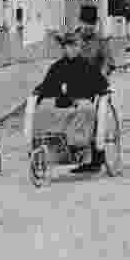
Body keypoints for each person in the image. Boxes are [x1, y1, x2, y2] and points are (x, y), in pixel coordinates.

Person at [35, 32, 111, 174]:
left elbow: (100, 83)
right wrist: (39, 93)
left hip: (82, 101)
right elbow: (47, 86)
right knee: (43, 110)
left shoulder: (87, 65)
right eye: (67, 46)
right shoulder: (57, 67)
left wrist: (102, 91)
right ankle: (48, 144)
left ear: (78, 47)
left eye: (73, 46)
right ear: (64, 48)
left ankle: (78, 145)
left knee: (85, 110)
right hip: (62, 102)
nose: (70, 50)